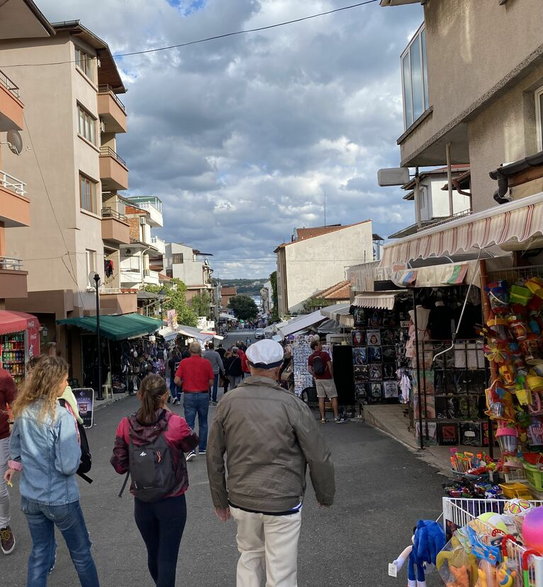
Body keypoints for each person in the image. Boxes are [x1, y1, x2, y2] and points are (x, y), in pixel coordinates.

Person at [207, 339, 335, 587]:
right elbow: (318, 455)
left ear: (248, 364)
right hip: (283, 499)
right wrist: (325, 494)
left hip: (242, 498)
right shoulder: (292, 405)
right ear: (278, 369)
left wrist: (219, 499)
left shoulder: (228, 403)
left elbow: (213, 456)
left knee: (249, 557)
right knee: (281, 569)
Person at [4, 356, 99, 586]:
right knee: (81, 553)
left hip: (31, 495)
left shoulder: (23, 412)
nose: (67, 385)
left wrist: (22, 464)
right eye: (64, 380)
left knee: (40, 554)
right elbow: (67, 465)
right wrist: (75, 454)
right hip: (59, 497)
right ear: (52, 382)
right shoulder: (61, 416)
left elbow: (15, 449)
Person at [110, 374, 198, 587]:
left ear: (140, 395)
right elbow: (191, 444)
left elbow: (119, 465)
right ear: (165, 396)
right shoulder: (175, 424)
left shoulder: (125, 425)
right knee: (167, 556)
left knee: (154, 552)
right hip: (172, 498)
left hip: (142, 500)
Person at [174, 342, 214, 461]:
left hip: (189, 395)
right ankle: (202, 448)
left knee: (189, 424)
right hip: (203, 394)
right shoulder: (206, 363)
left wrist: (183, 384)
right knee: (203, 422)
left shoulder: (184, 362)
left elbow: (176, 380)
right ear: (200, 351)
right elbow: (211, 381)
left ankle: (191, 449)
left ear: (190, 351)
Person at [308, 339, 345, 423]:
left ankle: (323, 418)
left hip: (318, 380)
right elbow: (330, 365)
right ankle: (336, 417)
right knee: (333, 397)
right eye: (319, 344)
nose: (321, 346)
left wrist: (315, 375)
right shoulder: (325, 354)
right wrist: (331, 375)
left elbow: (309, 369)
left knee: (321, 398)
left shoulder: (310, 357)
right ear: (316, 346)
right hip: (327, 378)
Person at [0, 366, 16, 555]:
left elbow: (17, 403)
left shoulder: (3, 376)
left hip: (1, 438)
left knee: (1, 490)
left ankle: (3, 527)